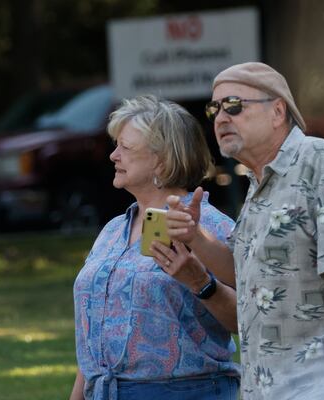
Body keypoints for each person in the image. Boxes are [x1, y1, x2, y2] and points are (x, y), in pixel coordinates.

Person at [165, 62, 324, 399]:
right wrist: (195, 235)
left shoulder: (318, 159)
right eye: (215, 109)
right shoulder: (258, 184)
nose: (221, 118)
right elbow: (240, 273)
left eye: (234, 105)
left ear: (278, 111)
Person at [69, 95, 240, 400]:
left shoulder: (211, 227)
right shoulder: (112, 232)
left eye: (126, 147)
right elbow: (95, 329)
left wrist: (201, 282)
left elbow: (250, 320)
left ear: (161, 160)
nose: (113, 156)